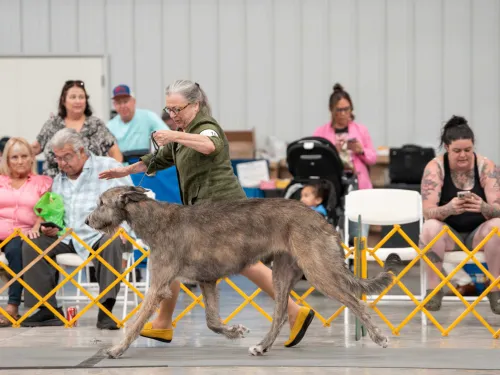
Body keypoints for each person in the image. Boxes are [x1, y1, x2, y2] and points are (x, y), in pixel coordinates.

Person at [99, 79, 315, 348]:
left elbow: (208, 145)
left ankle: (295, 312)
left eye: (177, 110)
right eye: (168, 111)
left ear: (196, 104)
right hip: (203, 214)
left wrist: (174, 134)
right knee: (175, 258)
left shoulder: (206, 127)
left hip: (224, 210)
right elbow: (155, 160)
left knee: (241, 262)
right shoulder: (182, 133)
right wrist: (124, 171)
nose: (172, 116)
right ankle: (163, 323)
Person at [21, 128, 133, 328]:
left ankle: (106, 310)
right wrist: (53, 227)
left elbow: (129, 202)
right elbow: (57, 216)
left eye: (67, 157)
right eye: (58, 158)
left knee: (112, 240)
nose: (62, 163)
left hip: (99, 235)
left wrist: (121, 226)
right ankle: (47, 309)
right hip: (67, 237)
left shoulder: (108, 167)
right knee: (32, 244)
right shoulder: (59, 180)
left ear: (82, 151)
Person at [419, 115, 500, 313]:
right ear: (447, 148)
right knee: (429, 227)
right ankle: (434, 288)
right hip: (449, 235)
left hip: (479, 234)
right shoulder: (435, 168)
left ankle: (495, 288)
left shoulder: (486, 167)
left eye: (467, 150)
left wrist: (483, 207)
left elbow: (498, 210)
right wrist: (449, 209)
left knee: (498, 226)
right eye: (457, 151)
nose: (463, 155)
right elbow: (427, 212)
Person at [313, 83, 377, 239]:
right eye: (339, 110)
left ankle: (357, 263)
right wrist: (332, 151)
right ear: (331, 110)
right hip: (332, 185)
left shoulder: (361, 130)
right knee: (331, 232)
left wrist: (360, 150)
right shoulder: (321, 132)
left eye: (347, 109)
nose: (343, 114)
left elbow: (373, 158)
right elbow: (316, 158)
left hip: (357, 184)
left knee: (359, 232)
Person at [0, 137, 52, 327]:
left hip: (23, 235)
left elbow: (47, 210)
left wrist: (37, 225)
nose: (20, 161)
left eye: (24, 156)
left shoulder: (42, 182)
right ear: (7, 160)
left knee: (16, 249)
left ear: (32, 158)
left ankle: (12, 305)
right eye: (14, 157)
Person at [32, 80, 123, 178]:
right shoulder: (52, 124)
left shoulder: (96, 125)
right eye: (73, 97)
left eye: (81, 97)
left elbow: (115, 152)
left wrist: (114, 174)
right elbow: (33, 149)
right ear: (63, 100)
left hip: (93, 185)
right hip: (54, 186)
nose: (78, 101)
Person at [107, 84, 168, 153]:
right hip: (120, 162)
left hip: (144, 161)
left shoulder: (148, 116)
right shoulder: (110, 126)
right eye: (118, 103)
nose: (122, 106)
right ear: (114, 105)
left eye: (125, 101)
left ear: (134, 101)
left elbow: (167, 134)